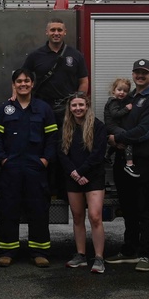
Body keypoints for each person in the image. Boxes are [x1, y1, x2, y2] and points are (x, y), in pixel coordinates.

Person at [0, 68, 58, 268]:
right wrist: (2, 160)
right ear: (13, 85)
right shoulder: (4, 109)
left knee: (38, 209)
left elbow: (52, 138)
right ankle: (8, 250)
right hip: (11, 169)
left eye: (26, 81)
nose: (23, 84)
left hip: (35, 168)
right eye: (19, 81)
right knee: (8, 209)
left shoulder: (43, 109)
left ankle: (38, 251)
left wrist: (45, 160)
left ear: (32, 84)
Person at [105, 59, 149, 272]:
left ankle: (147, 254)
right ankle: (129, 250)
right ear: (133, 74)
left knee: (143, 208)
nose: (140, 76)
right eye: (137, 72)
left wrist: (117, 139)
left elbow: (146, 131)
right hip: (123, 161)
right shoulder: (129, 98)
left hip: (142, 162)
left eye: (145, 73)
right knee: (127, 207)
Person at [58, 92, 108, 274]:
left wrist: (81, 172)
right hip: (73, 177)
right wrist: (74, 173)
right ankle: (80, 255)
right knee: (77, 217)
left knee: (95, 217)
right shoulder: (65, 127)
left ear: (87, 106)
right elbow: (62, 154)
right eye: (74, 105)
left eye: (81, 105)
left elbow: (98, 154)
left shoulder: (98, 126)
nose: (78, 108)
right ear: (69, 108)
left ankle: (99, 258)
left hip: (93, 177)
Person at [21, 18, 89, 121]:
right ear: (47, 32)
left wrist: (78, 101)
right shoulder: (35, 55)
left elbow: (83, 81)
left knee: (66, 136)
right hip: (42, 106)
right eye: (53, 30)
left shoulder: (76, 55)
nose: (56, 33)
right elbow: (21, 78)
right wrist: (16, 96)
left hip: (67, 108)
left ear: (64, 32)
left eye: (59, 30)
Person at [104, 77, 137, 176]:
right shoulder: (113, 101)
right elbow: (115, 114)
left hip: (113, 126)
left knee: (119, 141)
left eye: (125, 91)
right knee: (127, 137)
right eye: (119, 90)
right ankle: (129, 164)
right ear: (113, 90)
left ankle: (107, 155)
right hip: (111, 126)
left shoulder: (118, 101)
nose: (122, 92)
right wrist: (126, 109)